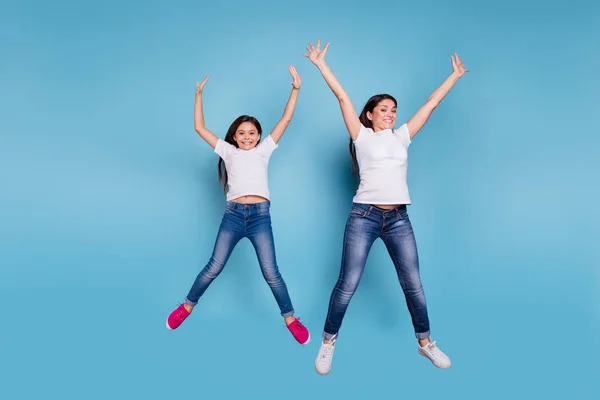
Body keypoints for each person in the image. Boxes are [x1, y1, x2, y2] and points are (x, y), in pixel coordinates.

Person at [303, 39, 469, 374]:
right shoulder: (360, 137)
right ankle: (328, 341)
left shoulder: (403, 136)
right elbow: (342, 97)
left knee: (413, 284)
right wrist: (321, 65)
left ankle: (425, 344)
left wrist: (454, 77)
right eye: (384, 110)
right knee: (348, 283)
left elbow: (431, 104)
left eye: (394, 110)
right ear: (369, 115)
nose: (391, 114)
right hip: (364, 216)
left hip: (398, 219)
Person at [165, 65, 310, 346]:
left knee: (271, 272)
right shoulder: (228, 151)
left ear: (259, 135)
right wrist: (198, 95)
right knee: (214, 266)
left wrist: (296, 89)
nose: (247, 137)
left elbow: (286, 119)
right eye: (242, 133)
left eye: (252, 133)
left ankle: (291, 319)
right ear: (234, 136)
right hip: (232, 217)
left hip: (259, 218)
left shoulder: (265, 149)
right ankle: (186, 306)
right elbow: (199, 128)